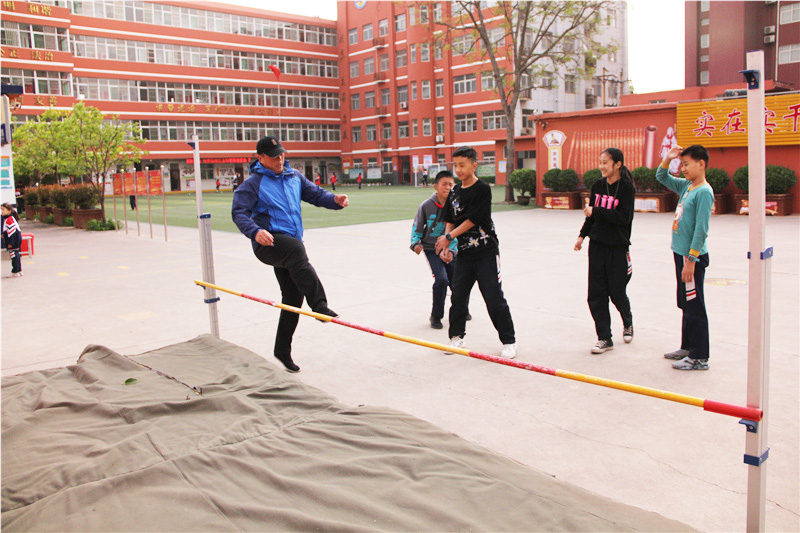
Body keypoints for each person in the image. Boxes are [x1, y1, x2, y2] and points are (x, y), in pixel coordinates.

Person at [232, 136, 349, 373]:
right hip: (268, 243)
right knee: (297, 250)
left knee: (293, 300)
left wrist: (334, 200)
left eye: (282, 154)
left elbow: (316, 194)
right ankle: (320, 306)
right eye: (274, 156)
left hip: (289, 247)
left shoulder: (293, 176)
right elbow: (239, 212)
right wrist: (255, 232)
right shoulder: (253, 183)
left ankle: (282, 350)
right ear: (260, 158)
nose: (280, 159)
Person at [435, 146, 516, 359]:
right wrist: (447, 246)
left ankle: (508, 341)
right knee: (459, 296)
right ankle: (456, 338)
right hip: (465, 255)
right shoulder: (454, 192)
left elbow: (472, 220)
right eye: (455, 166)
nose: (458, 170)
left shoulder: (483, 189)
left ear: (474, 165)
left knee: (493, 297)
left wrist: (449, 238)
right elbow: (450, 220)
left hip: (486, 253)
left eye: (462, 165)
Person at [657, 144, 714, 371]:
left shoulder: (703, 192)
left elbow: (701, 230)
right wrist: (668, 158)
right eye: (682, 164)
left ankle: (700, 357)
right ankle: (688, 347)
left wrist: (691, 260)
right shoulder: (688, 187)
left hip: (692, 258)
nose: (683, 169)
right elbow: (661, 176)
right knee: (686, 303)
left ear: (701, 164)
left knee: (695, 305)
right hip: (681, 254)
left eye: (687, 164)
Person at [574, 147, 635, 354]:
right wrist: (582, 236)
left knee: (617, 292)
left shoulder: (626, 187)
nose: (601, 166)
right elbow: (591, 216)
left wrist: (597, 210)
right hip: (597, 246)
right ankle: (604, 338)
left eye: (605, 162)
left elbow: (623, 217)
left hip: (617, 247)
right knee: (596, 294)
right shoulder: (598, 185)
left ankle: (627, 320)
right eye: (600, 162)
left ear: (617, 164)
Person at [411, 170, 470, 330]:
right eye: (444, 184)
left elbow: (458, 230)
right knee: (442, 280)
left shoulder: (457, 206)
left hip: (451, 247)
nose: (448, 187)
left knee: (458, 280)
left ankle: (462, 309)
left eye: (451, 184)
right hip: (432, 248)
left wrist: (451, 250)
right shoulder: (426, 206)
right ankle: (436, 316)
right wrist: (416, 244)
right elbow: (417, 227)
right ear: (436, 186)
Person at [1, 203, 23, 278]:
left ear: (9, 211)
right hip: (16, 239)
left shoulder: (9, 219)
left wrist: (10, 243)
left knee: (14, 255)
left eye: (3, 209)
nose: (2, 212)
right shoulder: (9, 219)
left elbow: (12, 232)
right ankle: (19, 270)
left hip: (14, 241)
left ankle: (15, 271)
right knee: (16, 254)